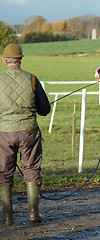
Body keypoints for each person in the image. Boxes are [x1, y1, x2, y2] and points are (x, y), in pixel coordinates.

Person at [0, 43, 51, 225]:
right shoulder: (31, 79)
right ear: (21, 60)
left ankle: (7, 218)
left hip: (4, 133)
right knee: (31, 170)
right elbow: (45, 109)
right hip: (29, 132)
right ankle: (33, 214)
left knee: (4, 172)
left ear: (4, 60)